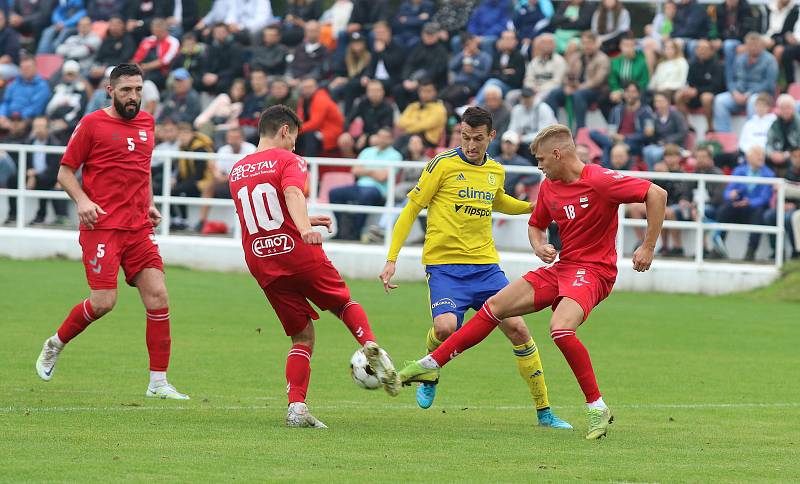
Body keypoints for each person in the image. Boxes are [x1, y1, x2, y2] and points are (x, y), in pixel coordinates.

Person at [397, 123, 668, 440]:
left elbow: (656, 193)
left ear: (557, 154)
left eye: (541, 160)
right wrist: (539, 245)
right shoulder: (550, 188)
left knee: (560, 329)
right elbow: (536, 224)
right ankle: (432, 362)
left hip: (594, 271)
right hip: (563, 267)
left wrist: (648, 245)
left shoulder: (598, 180)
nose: (538, 167)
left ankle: (597, 408)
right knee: (495, 306)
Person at [380, 107, 572, 429]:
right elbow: (412, 207)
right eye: (465, 137)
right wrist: (392, 258)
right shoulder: (441, 165)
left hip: (485, 268)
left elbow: (497, 201)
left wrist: (532, 207)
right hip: (445, 267)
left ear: (491, 137)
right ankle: (431, 369)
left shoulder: (495, 170)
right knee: (445, 329)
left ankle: (545, 412)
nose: (471, 145)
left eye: (478, 139)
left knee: (519, 330)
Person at [229, 105, 400, 428]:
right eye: (294, 137)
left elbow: (265, 213)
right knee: (343, 303)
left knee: (302, 337)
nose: (295, 145)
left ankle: (297, 408)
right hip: (297, 251)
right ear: (283, 131)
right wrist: (304, 229)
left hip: (261, 258)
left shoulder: (237, 170)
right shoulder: (289, 159)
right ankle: (370, 346)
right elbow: (292, 191)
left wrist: (305, 219)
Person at [34, 64, 189, 399]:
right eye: (125, 90)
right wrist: (83, 201)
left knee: (158, 295)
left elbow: (141, 168)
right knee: (104, 302)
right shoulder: (92, 124)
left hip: (137, 227)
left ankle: (158, 382)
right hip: (102, 226)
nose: (133, 97)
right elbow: (65, 174)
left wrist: (149, 202)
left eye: (137, 89)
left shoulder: (148, 122)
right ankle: (55, 343)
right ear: (110, 90)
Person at [329, 127, 401, 240]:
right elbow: (355, 170)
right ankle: (342, 231)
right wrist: (373, 172)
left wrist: (365, 171)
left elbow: (382, 177)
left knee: (366, 195)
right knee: (334, 193)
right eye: (380, 136)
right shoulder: (367, 151)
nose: (382, 139)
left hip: (378, 190)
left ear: (391, 140)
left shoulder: (395, 155)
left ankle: (356, 233)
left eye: (385, 137)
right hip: (359, 186)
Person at [717, 145, 775, 261]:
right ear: (749, 158)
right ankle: (718, 244)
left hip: (755, 208)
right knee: (725, 209)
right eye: (757, 155)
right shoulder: (739, 171)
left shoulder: (769, 174)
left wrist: (749, 202)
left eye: (762, 155)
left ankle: (751, 251)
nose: (761, 157)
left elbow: (765, 198)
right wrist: (731, 194)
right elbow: (727, 192)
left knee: (759, 213)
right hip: (739, 207)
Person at [713, 32, 778, 133]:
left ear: (762, 45)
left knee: (753, 101)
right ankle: (724, 137)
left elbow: (769, 83)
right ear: (746, 46)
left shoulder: (770, 60)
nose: (753, 47)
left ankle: (751, 134)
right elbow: (732, 79)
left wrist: (748, 94)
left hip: (760, 95)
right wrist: (734, 92)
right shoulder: (740, 58)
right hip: (739, 94)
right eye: (750, 45)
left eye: (756, 45)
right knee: (719, 100)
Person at [544, 30, 609, 130]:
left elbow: (597, 80)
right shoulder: (576, 57)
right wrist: (568, 86)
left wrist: (578, 87)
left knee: (579, 94)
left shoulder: (603, 59)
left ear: (596, 43)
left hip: (595, 91)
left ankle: (580, 130)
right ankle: (552, 129)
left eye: (589, 43)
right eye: (584, 43)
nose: (586, 46)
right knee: (554, 94)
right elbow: (566, 75)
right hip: (575, 88)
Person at [196, 127, 255, 230]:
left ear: (242, 138)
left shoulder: (251, 149)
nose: (232, 139)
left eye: (235, 137)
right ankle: (202, 221)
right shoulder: (223, 150)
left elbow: (250, 173)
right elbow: (217, 170)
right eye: (230, 137)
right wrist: (218, 175)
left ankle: (248, 224)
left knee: (246, 187)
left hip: (245, 183)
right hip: (227, 183)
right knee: (209, 186)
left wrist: (227, 177)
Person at [590, 82, 655, 167]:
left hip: (634, 143)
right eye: (628, 91)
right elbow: (611, 128)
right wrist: (613, 136)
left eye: (633, 92)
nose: (630, 94)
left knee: (607, 145)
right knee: (593, 133)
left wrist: (625, 138)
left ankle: (605, 170)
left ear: (639, 94)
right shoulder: (617, 109)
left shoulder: (646, 110)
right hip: (615, 139)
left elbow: (648, 134)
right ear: (624, 94)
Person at [674, 39, 725, 132]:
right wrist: (689, 91)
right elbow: (690, 82)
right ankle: (686, 125)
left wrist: (697, 90)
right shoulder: (693, 64)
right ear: (695, 50)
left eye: (705, 48)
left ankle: (710, 127)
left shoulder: (717, 65)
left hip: (712, 94)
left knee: (706, 98)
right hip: (696, 94)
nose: (702, 51)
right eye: (699, 48)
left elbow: (717, 86)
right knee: (679, 95)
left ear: (711, 51)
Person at [26, 116, 69, 226]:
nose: (38, 129)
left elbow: (54, 167)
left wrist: (35, 175)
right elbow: (25, 161)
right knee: (12, 179)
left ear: (48, 128)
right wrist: (30, 173)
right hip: (32, 175)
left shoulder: (55, 143)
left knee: (45, 180)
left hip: (51, 177)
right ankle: (13, 215)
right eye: (36, 127)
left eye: (41, 126)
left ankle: (43, 216)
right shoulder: (29, 142)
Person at [507, 87, 558, 157]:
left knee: (531, 146)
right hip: (524, 141)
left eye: (528, 97)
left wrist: (523, 138)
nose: (526, 99)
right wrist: (513, 138)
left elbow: (543, 134)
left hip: (548, 140)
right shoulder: (517, 109)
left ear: (533, 97)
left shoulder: (543, 109)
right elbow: (512, 129)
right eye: (524, 97)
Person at [608, 35, 649, 106]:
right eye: (626, 45)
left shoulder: (642, 62)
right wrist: (615, 90)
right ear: (620, 46)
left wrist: (628, 92)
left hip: (636, 91)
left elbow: (644, 82)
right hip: (618, 91)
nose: (628, 48)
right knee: (605, 97)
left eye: (631, 45)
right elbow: (612, 79)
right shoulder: (615, 61)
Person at [766, 94, 800, 175]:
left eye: (788, 107)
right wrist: (771, 154)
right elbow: (768, 144)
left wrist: (786, 155)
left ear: (793, 109)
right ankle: (771, 186)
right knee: (764, 159)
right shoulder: (774, 124)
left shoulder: (798, 123)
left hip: (793, 155)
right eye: (782, 108)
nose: (785, 110)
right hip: (778, 153)